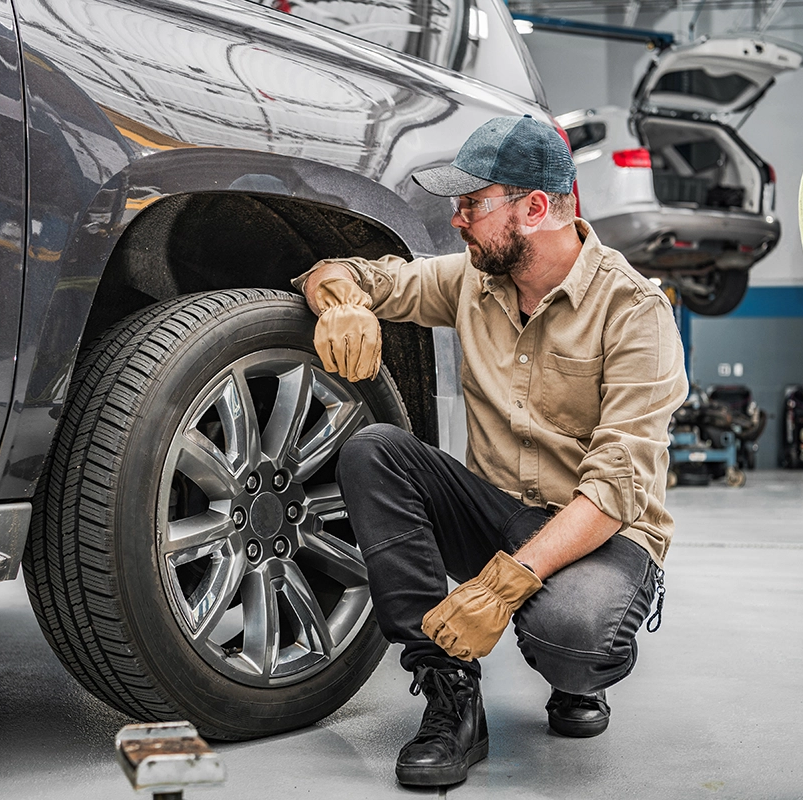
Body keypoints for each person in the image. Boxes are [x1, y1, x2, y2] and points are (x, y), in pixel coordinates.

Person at [292, 115, 688, 787]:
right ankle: (450, 694)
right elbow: (351, 273)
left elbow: (616, 488)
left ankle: (578, 677)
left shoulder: (634, 312)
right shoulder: (473, 283)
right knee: (374, 452)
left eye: (472, 203)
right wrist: (341, 303)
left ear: (534, 210)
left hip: (597, 532)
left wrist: (504, 588)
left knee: (571, 635)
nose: (456, 220)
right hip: (499, 510)